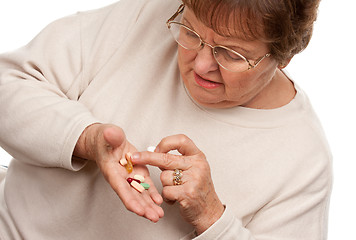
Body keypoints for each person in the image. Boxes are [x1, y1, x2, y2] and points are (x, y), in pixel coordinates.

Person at [0, 0, 332, 239]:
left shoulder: (304, 161)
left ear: (284, 56)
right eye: (190, 33)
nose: (201, 64)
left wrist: (210, 216)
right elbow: (7, 85)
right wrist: (86, 139)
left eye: (231, 53)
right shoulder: (150, 12)